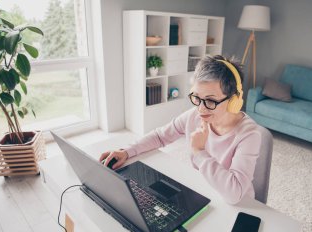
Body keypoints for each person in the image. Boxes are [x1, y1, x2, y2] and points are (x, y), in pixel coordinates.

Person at [100, 55, 262, 204]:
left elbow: (235, 193)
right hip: (202, 191)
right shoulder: (195, 116)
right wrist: (127, 152)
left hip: (237, 206)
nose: (201, 109)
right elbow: (160, 136)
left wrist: (199, 151)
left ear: (234, 100)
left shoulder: (249, 134)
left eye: (210, 101)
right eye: (196, 98)